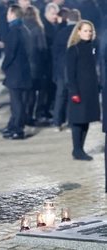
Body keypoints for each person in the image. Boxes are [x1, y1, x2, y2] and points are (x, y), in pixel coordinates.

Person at [66, 20, 100, 161]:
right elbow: (70, 73)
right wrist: (74, 92)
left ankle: (81, 148)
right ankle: (77, 149)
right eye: (85, 31)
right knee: (78, 121)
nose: (88, 33)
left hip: (91, 91)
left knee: (86, 120)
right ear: (78, 32)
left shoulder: (93, 48)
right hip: (79, 91)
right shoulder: (74, 49)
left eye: (90, 31)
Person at [0, 4, 31, 140]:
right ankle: (13, 126)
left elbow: (10, 53)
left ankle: (18, 130)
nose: (6, 16)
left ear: (13, 14)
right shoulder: (24, 29)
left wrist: (4, 66)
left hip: (15, 73)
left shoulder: (14, 31)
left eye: (8, 13)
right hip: (23, 71)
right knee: (18, 102)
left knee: (16, 103)